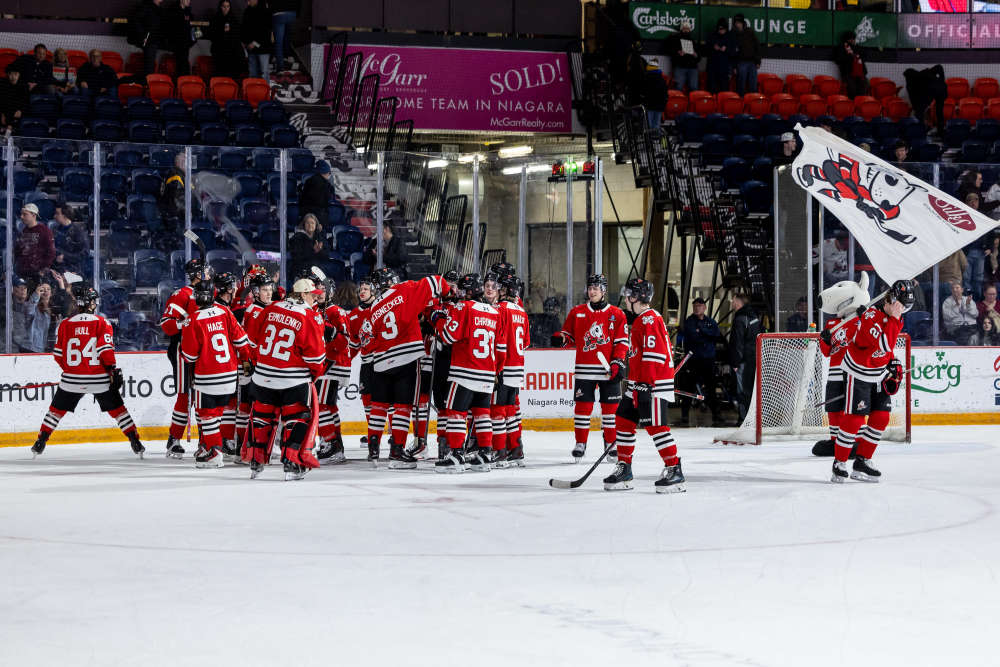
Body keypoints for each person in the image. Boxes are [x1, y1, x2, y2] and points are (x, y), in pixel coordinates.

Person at [30, 285, 145, 459]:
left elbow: (58, 355)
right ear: (90, 303)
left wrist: (72, 371)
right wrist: (111, 369)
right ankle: (135, 441)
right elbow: (106, 351)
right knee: (119, 411)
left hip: (71, 380)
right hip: (99, 379)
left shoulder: (65, 324)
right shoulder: (102, 322)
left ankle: (40, 441)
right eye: (94, 301)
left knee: (55, 411)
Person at [602, 277, 683, 493]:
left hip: (652, 384)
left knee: (656, 427)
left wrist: (645, 384)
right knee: (623, 420)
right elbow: (639, 354)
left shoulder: (649, 319)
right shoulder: (641, 320)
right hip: (639, 384)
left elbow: (654, 355)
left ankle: (674, 469)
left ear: (636, 297)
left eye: (628, 295)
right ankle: (625, 469)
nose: (625, 299)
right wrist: (626, 372)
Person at [243, 274, 326, 480]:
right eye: (312, 294)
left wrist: (261, 364)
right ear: (303, 294)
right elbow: (316, 359)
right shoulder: (307, 316)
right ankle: (292, 463)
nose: (315, 298)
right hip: (293, 380)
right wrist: (312, 376)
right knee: (296, 419)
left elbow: (252, 341)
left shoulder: (271, 308)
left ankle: (255, 460)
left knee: (261, 418)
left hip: (262, 378)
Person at [830, 280, 914, 483]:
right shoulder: (870, 317)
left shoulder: (894, 317)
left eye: (906, 307)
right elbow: (884, 344)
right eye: (901, 306)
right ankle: (839, 463)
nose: (903, 310)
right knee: (855, 419)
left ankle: (863, 461)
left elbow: (886, 350)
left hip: (878, 373)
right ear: (892, 300)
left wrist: (892, 362)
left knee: (881, 417)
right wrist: (895, 318)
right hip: (858, 373)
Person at [366, 268, 450, 468]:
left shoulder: (374, 307)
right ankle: (397, 451)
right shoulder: (405, 289)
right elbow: (437, 281)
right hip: (406, 356)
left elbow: (367, 343)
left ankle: (373, 448)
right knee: (403, 407)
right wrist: (447, 293)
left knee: (379, 406)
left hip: (381, 361)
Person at [550, 274, 629, 463]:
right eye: (590, 288)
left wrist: (618, 362)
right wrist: (561, 339)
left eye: (596, 288)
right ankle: (580, 443)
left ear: (603, 290)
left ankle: (611, 444)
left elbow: (621, 342)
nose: (592, 291)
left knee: (610, 410)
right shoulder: (577, 312)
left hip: (608, 370)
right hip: (584, 370)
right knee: (582, 408)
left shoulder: (617, 314)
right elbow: (568, 336)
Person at [432, 273, 500, 473]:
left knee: (456, 413)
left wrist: (438, 319)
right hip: (487, 371)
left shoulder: (464, 307)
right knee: (482, 414)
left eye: (462, 289)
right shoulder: (493, 311)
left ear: (469, 291)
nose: (459, 293)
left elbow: (448, 336)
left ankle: (456, 455)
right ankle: (485, 454)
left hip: (464, 371)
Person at [180, 278, 250, 467]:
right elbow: (242, 341)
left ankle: (215, 451)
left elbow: (189, 356)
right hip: (230, 375)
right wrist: (246, 362)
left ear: (196, 297)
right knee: (218, 412)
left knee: (207, 415)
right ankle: (209, 446)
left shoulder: (192, 319)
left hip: (207, 377)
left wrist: (182, 347)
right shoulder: (225, 312)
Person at [813, 272, 868, 458]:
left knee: (852, 409)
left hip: (853, 372)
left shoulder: (862, 320)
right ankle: (835, 440)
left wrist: (864, 320)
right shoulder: (832, 323)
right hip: (834, 373)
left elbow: (867, 341)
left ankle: (856, 441)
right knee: (833, 408)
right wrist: (825, 340)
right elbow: (826, 352)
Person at [159, 258, 207, 459]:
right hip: (182, 349)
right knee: (185, 396)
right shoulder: (182, 294)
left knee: (203, 395)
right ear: (198, 274)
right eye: (205, 271)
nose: (209, 274)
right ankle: (174, 439)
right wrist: (186, 323)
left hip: (203, 350)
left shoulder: (208, 292)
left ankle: (205, 441)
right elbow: (167, 324)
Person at [492, 273, 528, 467]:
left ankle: (499, 451)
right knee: (510, 409)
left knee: (497, 410)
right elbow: (526, 342)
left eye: (500, 287)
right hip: (517, 368)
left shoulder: (500, 310)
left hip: (503, 367)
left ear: (505, 290)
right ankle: (516, 449)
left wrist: (496, 368)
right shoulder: (522, 312)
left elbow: (498, 341)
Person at [313, 280, 350, 465]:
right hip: (328, 364)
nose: (319, 293)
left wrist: (332, 334)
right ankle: (336, 445)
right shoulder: (317, 311)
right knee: (329, 405)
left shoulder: (335, 311)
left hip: (333, 364)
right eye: (317, 290)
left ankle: (330, 444)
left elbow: (344, 341)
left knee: (321, 405)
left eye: (323, 290)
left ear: (331, 293)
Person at [235, 268, 273, 446]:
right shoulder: (255, 311)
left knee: (256, 404)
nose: (269, 293)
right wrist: (250, 366)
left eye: (270, 289)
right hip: (250, 364)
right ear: (256, 292)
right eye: (265, 290)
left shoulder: (265, 308)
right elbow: (250, 344)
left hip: (257, 364)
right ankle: (243, 444)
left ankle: (249, 443)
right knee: (246, 405)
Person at [678, 297, 721, 425]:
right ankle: (685, 416)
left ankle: (716, 415)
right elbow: (694, 337)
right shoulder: (689, 322)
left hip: (708, 360)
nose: (697, 308)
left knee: (711, 388)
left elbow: (716, 335)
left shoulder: (710, 321)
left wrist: (701, 330)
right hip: (694, 360)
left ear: (704, 307)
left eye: (700, 306)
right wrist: (707, 334)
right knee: (688, 388)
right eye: (695, 306)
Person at [729, 292, 762, 424]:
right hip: (754, 359)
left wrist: (735, 362)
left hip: (743, 361)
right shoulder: (754, 316)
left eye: (733, 300)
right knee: (751, 388)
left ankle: (744, 418)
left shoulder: (740, 319)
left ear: (738, 302)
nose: (732, 302)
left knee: (742, 390)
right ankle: (753, 417)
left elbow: (737, 342)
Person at [14, 204, 56, 287]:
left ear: (33, 215)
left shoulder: (44, 230)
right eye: (21, 214)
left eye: (25, 214)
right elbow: (18, 251)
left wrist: (43, 270)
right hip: (24, 272)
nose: (21, 217)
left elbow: (51, 252)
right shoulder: (24, 231)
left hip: (37, 273)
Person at [903, 65, 947, 135]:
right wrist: (942, 80)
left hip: (931, 91)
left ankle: (921, 132)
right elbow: (939, 67)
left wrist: (916, 109)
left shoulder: (910, 84)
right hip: (941, 89)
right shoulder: (924, 73)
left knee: (919, 112)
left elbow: (913, 99)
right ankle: (940, 131)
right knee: (939, 111)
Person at [209, 0, 244, 79]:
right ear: (220, 7)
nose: (226, 8)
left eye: (228, 6)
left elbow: (237, 36)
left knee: (230, 76)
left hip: (231, 54)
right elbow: (212, 34)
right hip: (219, 52)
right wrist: (222, 31)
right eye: (224, 6)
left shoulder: (233, 19)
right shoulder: (215, 19)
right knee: (219, 75)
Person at [50, 203, 89, 275]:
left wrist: (65, 257)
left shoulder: (78, 231)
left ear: (65, 215)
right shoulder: (54, 230)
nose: (54, 216)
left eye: (57, 214)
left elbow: (85, 253)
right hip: (55, 269)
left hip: (73, 270)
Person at [288, 214, 329, 282]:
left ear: (316, 225)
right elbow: (297, 257)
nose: (310, 225)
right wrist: (313, 251)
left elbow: (326, 255)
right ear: (304, 225)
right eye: (307, 223)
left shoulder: (320, 238)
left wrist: (319, 251)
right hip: (301, 271)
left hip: (317, 270)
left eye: (312, 223)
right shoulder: (297, 238)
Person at [664, 19, 700, 93]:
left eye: (687, 29)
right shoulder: (674, 39)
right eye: (684, 28)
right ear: (681, 29)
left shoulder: (693, 41)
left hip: (692, 67)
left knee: (694, 88)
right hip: (680, 66)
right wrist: (678, 53)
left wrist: (695, 55)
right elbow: (667, 49)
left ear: (690, 30)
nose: (686, 30)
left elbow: (699, 57)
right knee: (678, 88)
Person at [132, 0, 166, 77]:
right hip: (149, 40)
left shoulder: (160, 9)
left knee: (151, 65)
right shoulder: (146, 7)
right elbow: (136, 21)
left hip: (156, 40)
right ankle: (146, 82)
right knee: (149, 66)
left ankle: (148, 80)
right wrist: (143, 36)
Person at [165, 0, 197, 77]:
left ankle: (184, 82)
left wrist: (193, 41)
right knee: (180, 66)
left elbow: (194, 29)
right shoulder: (173, 11)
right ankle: (180, 82)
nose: (189, 1)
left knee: (184, 66)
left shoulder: (189, 13)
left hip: (186, 45)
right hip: (177, 45)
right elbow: (169, 29)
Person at [242, 0, 273, 79]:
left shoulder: (265, 11)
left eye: (250, 0)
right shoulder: (247, 11)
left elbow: (266, 31)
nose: (248, 2)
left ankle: (265, 88)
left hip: (263, 48)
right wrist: (245, 42)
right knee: (253, 73)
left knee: (264, 73)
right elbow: (244, 28)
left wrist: (254, 43)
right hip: (251, 48)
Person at [299, 160, 335, 226]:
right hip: (320, 216)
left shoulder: (308, 181)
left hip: (306, 215)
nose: (329, 174)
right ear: (324, 172)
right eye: (329, 172)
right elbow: (328, 200)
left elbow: (302, 199)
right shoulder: (326, 185)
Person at [732, 14, 760, 96]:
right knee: (741, 84)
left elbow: (757, 46)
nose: (738, 24)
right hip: (741, 62)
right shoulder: (733, 34)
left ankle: (753, 100)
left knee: (753, 84)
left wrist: (758, 61)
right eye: (736, 23)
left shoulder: (750, 32)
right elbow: (733, 52)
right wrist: (734, 66)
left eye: (739, 22)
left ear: (742, 23)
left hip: (752, 61)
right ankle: (740, 100)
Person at [834, 31, 868, 98]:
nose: (853, 40)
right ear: (847, 39)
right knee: (852, 89)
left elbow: (864, 56)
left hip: (860, 73)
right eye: (851, 39)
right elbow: (838, 60)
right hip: (848, 73)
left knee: (863, 87)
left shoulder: (857, 48)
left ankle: (860, 102)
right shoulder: (841, 48)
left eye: (853, 39)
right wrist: (850, 58)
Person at [705, 18, 734, 94]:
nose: (721, 31)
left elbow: (733, 52)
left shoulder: (730, 37)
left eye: (723, 29)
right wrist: (713, 47)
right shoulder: (712, 36)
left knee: (724, 90)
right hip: (712, 67)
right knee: (712, 89)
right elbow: (706, 50)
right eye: (720, 29)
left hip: (724, 68)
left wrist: (726, 49)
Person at [271, 0, 300, 73]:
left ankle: (280, 68)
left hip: (278, 12)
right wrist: (297, 13)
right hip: (291, 12)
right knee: (287, 35)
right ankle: (288, 55)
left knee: (279, 43)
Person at [640, 62, 669, 133]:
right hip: (659, 106)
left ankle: (649, 138)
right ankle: (656, 137)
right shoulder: (662, 79)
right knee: (656, 124)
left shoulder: (646, 78)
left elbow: (643, 92)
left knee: (648, 125)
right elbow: (665, 93)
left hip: (649, 105)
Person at [0, 66, 30, 131]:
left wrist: (20, 110)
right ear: (8, 75)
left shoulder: (24, 86)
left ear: (19, 75)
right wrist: (2, 114)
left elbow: (26, 101)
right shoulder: (3, 84)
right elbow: (2, 101)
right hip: (7, 111)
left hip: (18, 111)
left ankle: (9, 128)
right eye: (11, 74)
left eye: (15, 74)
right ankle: (9, 128)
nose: (13, 77)